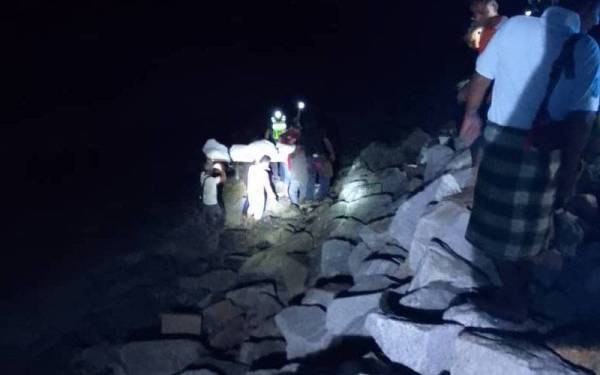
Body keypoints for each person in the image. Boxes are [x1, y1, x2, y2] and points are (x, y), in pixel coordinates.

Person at [460, 0, 600, 321]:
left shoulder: (515, 28)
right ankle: (517, 297)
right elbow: (582, 121)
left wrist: (470, 116)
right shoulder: (587, 48)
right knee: (528, 227)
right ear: (586, 12)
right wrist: (568, 172)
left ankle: (514, 297)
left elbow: (481, 77)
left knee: (496, 230)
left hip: (500, 141)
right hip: (544, 147)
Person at [302, 114, 335, 201]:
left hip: (309, 158)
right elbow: (327, 142)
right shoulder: (321, 131)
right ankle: (322, 196)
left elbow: (301, 146)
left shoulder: (304, 133)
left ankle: (309, 197)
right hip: (320, 156)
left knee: (311, 177)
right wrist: (332, 153)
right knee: (324, 176)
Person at [246, 155, 278, 221]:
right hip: (259, 195)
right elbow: (268, 187)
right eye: (268, 163)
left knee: (252, 207)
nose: (269, 165)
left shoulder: (251, 168)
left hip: (251, 193)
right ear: (265, 162)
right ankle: (254, 225)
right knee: (258, 213)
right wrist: (273, 197)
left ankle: (247, 221)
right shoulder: (264, 173)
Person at [200, 162, 227, 227]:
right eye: (212, 169)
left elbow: (206, 169)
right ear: (210, 171)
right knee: (220, 215)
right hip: (212, 203)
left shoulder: (202, 175)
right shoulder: (212, 180)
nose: (213, 170)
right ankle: (213, 228)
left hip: (204, 202)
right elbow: (224, 179)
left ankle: (208, 226)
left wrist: (209, 162)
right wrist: (222, 170)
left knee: (209, 216)